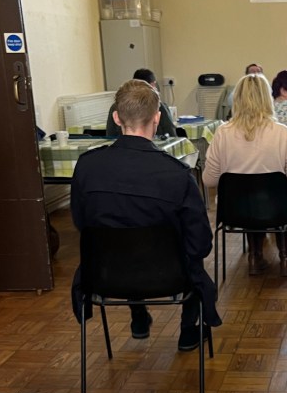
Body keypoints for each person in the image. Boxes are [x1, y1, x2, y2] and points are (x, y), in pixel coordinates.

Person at [72, 78, 219, 351]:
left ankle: (138, 314)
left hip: (104, 274)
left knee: (122, 242)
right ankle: (188, 330)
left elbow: (81, 223)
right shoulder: (177, 174)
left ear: (116, 118)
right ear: (157, 118)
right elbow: (201, 243)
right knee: (192, 257)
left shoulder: (87, 167)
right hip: (171, 275)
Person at [203, 73, 287, 276]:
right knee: (279, 198)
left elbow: (209, 180)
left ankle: (254, 256)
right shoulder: (281, 133)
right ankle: (286, 258)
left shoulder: (222, 133)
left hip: (233, 211)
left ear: (237, 99)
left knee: (248, 198)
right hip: (278, 210)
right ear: (267, 98)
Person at [105, 68, 181, 139]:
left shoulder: (116, 107)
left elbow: (110, 136)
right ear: (152, 86)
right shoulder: (159, 106)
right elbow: (172, 135)